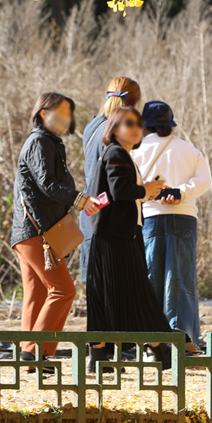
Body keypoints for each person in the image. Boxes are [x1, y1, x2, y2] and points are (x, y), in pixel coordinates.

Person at [11, 92, 99, 368]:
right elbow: (47, 184)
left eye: (68, 112)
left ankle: (30, 354)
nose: (66, 117)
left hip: (28, 232)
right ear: (42, 113)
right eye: (60, 111)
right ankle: (39, 351)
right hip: (37, 232)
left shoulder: (46, 142)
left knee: (37, 295)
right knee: (63, 291)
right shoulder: (40, 142)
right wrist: (78, 199)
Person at [86, 106, 175, 372]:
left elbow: (121, 192)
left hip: (117, 234)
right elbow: (119, 190)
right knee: (134, 291)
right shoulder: (116, 152)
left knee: (111, 293)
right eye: (128, 123)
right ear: (113, 128)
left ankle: (101, 355)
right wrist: (143, 189)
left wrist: (148, 192)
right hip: (116, 236)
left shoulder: (123, 154)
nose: (136, 127)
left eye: (138, 123)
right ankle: (159, 347)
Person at [131, 101, 212, 354]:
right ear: (170, 123)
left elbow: (131, 186)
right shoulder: (189, 150)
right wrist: (179, 193)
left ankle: (153, 343)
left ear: (145, 125)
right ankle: (184, 340)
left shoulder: (136, 151)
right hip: (183, 217)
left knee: (151, 278)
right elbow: (204, 182)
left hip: (150, 218)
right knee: (181, 279)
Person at [79, 78, 141, 276]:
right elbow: (118, 183)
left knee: (96, 285)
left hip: (91, 210)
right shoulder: (120, 130)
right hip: (113, 221)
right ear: (135, 104)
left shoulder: (91, 126)